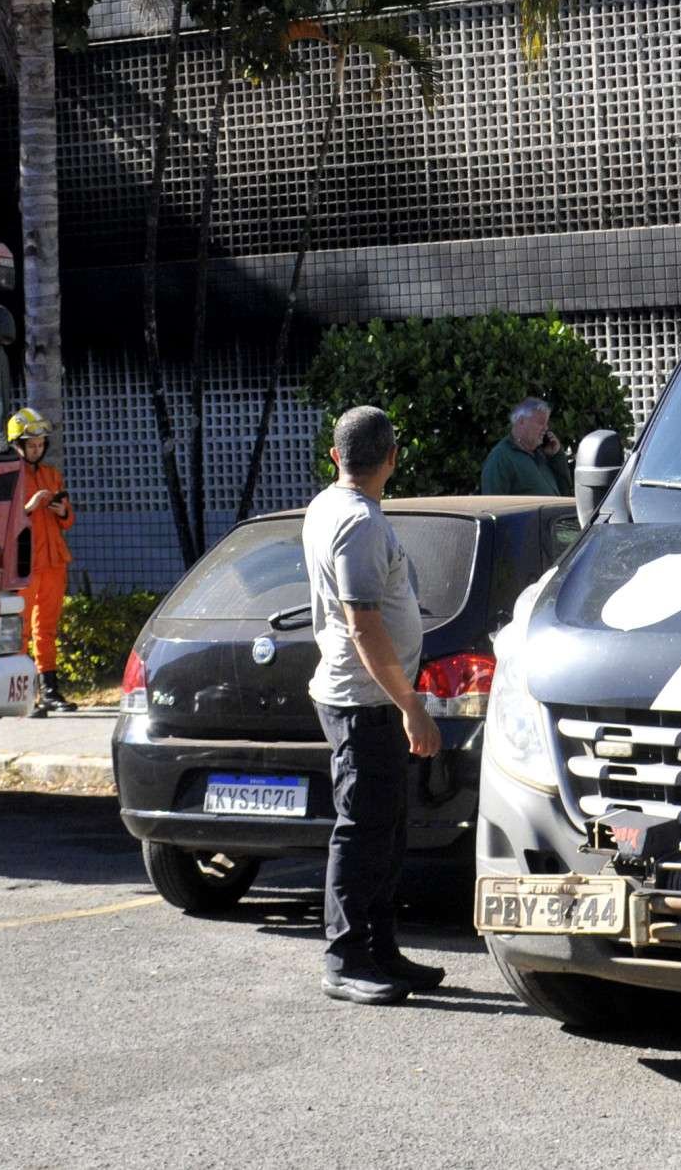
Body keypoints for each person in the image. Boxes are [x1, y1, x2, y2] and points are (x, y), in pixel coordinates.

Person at [303, 405, 446, 1005]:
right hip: (364, 700)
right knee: (362, 830)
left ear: (336, 456)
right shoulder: (358, 522)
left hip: (369, 697)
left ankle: (379, 949)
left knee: (385, 830)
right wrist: (410, 705)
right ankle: (345, 959)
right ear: (392, 458)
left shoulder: (328, 506)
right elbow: (363, 625)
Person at [8, 407, 74, 716]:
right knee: (21, 628)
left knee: (46, 628)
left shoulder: (51, 474)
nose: (37, 449)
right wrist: (30, 506)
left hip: (53, 561)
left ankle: (50, 691)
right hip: (25, 563)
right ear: (18, 445)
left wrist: (62, 512)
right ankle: (23, 695)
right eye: (31, 445)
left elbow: (68, 520)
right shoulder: (9, 476)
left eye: (40, 444)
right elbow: (6, 520)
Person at [477, 396, 569, 497]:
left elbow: (564, 491)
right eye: (541, 423)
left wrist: (556, 456)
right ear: (521, 421)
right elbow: (494, 505)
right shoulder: (501, 458)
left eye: (546, 424)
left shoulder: (541, 455)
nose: (546, 428)